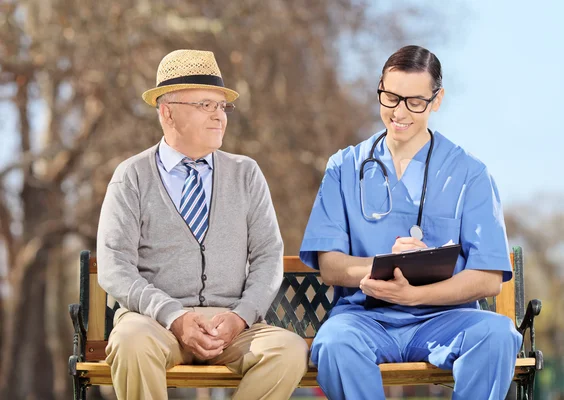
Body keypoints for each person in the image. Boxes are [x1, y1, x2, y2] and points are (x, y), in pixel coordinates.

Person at [299, 45, 522, 400]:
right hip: (365, 319)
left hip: (445, 319)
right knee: (334, 343)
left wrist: (416, 295)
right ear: (380, 90)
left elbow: (488, 277)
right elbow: (330, 266)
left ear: (437, 100)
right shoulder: (344, 168)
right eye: (390, 97)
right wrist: (386, 269)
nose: (399, 112)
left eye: (414, 102)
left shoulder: (470, 174)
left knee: (498, 335)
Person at [97, 49, 308, 400]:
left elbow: (269, 255)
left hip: (233, 326)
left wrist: (241, 316)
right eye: (205, 106)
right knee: (130, 342)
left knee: (288, 351)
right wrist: (173, 316)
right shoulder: (131, 176)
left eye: (222, 107)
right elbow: (114, 265)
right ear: (167, 113)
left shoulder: (246, 174)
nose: (219, 117)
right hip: (155, 323)